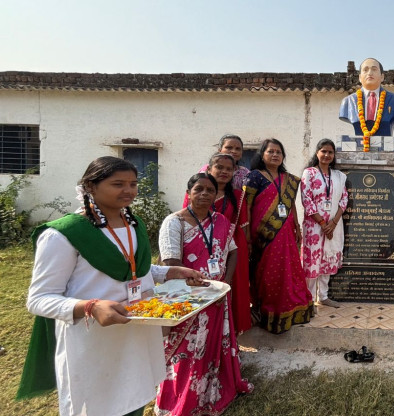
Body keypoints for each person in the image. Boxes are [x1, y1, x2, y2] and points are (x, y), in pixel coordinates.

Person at [19, 156, 206, 416]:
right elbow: (39, 299)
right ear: (90, 186)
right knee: (98, 406)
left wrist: (168, 272)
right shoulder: (64, 234)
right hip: (93, 341)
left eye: (133, 183)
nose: (128, 190)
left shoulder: (133, 224)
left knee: (134, 399)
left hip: (136, 334)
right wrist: (90, 306)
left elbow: (131, 272)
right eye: (117, 184)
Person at [157, 173, 253, 415]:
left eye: (210, 190)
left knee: (213, 345)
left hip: (216, 295)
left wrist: (226, 282)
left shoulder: (220, 221)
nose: (204, 194)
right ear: (189, 192)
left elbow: (233, 251)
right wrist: (188, 280)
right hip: (186, 297)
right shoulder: (174, 222)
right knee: (186, 348)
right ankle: (182, 398)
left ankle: (212, 391)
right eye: (199, 189)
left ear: (215, 195)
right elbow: (169, 261)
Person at [244, 138, 313, 333]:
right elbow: (247, 207)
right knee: (267, 272)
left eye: (278, 152)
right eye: (270, 151)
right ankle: (268, 310)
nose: (275, 155)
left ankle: (291, 309)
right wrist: (248, 234)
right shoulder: (254, 177)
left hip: (286, 233)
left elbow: (291, 206)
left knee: (289, 269)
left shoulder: (288, 179)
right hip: (263, 235)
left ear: (283, 156)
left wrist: (297, 227)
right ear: (262, 155)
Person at [187, 153, 252, 333]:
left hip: (233, 248)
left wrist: (247, 247)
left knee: (234, 289)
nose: (224, 172)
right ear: (209, 169)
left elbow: (243, 225)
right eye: (219, 167)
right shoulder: (198, 190)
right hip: (200, 246)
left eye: (229, 169)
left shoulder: (238, 195)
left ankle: (231, 334)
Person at [301, 139, 349, 308]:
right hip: (314, 226)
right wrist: (322, 223)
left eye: (330, 152)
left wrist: (333, 223)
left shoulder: (339, 176)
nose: (327, 155)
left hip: (334, 226)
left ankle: (323, 296)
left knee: (328, 259)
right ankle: (308, 298)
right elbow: (306, 200)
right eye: (323, 151)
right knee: (313, 262)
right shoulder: (309, 173)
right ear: (317, 153)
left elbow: (344, 200)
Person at [339, 58, 394, 138]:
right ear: (360, 78)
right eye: (365, 70)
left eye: (374, 69)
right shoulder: (348, 102)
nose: (370, 73)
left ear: (382, 77)